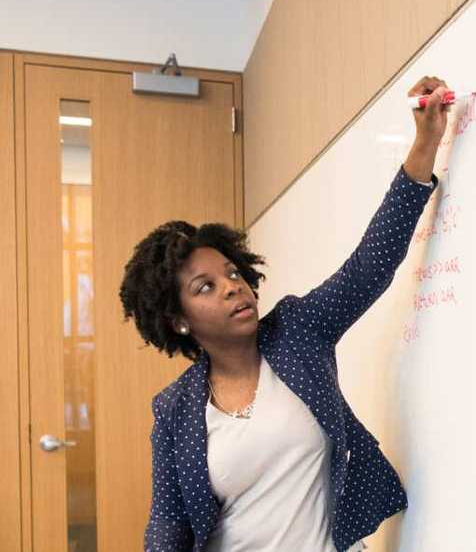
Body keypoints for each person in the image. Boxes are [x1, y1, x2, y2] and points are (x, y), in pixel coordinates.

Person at [120, 77, 450, 551]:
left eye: (233, 273)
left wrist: (424, 145)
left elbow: (367, 268)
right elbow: (168, 526)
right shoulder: (175, 410)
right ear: (179, 319)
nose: (232, 287)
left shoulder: (298, 331)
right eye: (206, 287)